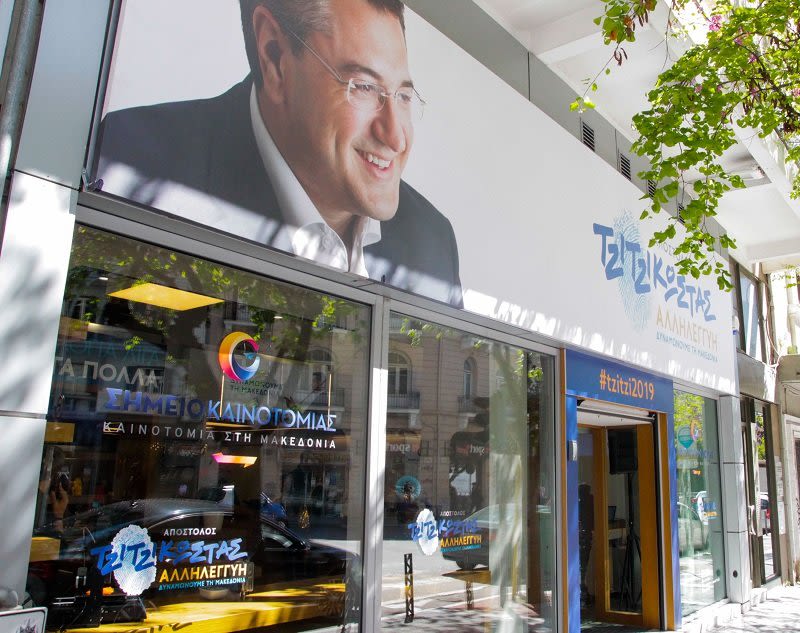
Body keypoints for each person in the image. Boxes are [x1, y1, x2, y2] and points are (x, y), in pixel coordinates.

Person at [95, 0, 463, 307]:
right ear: (274, 57)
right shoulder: (130, 163)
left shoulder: (433, 245)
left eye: (403, 95)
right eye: (364, 87)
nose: (396, 137)